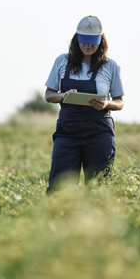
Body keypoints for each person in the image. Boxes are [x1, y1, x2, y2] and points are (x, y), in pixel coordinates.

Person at [44, 15, 124, 195]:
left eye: (92, 42)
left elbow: (120, 102)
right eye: (84, 41)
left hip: (99, 134)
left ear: (101, 41)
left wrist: (106, 103)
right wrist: (64, 95)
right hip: (67, 134)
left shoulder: (110, 66)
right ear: (77, 39)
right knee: (59, 189)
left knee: (98, 189)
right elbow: (49, 95)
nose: (88, 46)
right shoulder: (62, 61)